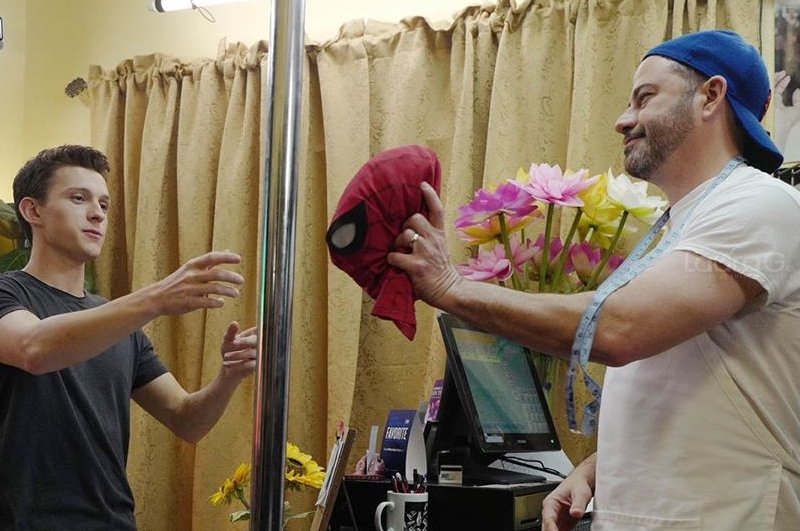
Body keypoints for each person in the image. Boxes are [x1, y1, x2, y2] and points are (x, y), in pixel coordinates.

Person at [388, 30, 800, 530]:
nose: (622, 120)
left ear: (711, 96)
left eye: (644, 97)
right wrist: (597, 470)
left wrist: (451, 288)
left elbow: (619, 329)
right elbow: (689, 391)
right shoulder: (687, 221)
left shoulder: (760, 204)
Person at [0, 145, 258, 530]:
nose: (97, 214)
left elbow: (187, 420)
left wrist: (229, 376)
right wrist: (155, 298)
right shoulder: (8, 294)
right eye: (78, 198)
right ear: (32, 211)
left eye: (103, 204)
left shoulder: (120, 325)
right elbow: (33, 349)